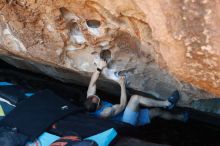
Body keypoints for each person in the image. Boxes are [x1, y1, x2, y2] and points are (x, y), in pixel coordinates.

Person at [84, 59, 188, 126]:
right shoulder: (105, 112)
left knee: (157, 111)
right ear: (97, 106)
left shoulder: (90, 99)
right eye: (98, 99)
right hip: (126, 122)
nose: (97, 96)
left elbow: (92, 83)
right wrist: (122, 84)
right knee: (135, 99)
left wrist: (99, 68)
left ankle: (180, 118)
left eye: (95, 96)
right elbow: (123, 105)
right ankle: (167, 103)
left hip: (128, 115)